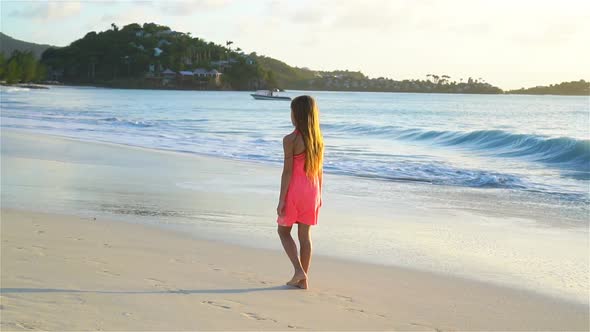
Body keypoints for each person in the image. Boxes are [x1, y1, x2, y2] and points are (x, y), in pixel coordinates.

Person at [276, 95, 324, 290]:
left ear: (296, 114)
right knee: (305, 237)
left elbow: (287, 171)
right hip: (312, 191)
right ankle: (303, 280)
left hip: (295, 191)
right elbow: (319, 171)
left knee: (283, 231)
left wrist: (281, 199)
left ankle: (298, 270)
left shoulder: (291, 139)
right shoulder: (318, 141)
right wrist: (320, 195)